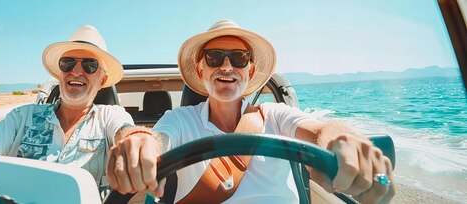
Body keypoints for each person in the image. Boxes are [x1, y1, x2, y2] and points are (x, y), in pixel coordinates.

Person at [107, 20, 396, 203]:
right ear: (200, 68)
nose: (227, 66)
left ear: (250, 70)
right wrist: (137, 140)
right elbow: (156, 139)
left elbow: (320, 131)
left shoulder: (275, 115)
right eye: (215, 57)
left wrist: (345, 141)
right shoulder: (180, 119)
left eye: (239, 58)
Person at [0, 25, 139, 189]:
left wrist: (138, 143)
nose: (76, 71)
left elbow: (128, 134)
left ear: (102, 80)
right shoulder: (23, 117)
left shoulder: (110, 116)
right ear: (59, 73)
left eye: (89, 65)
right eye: (67, 63)